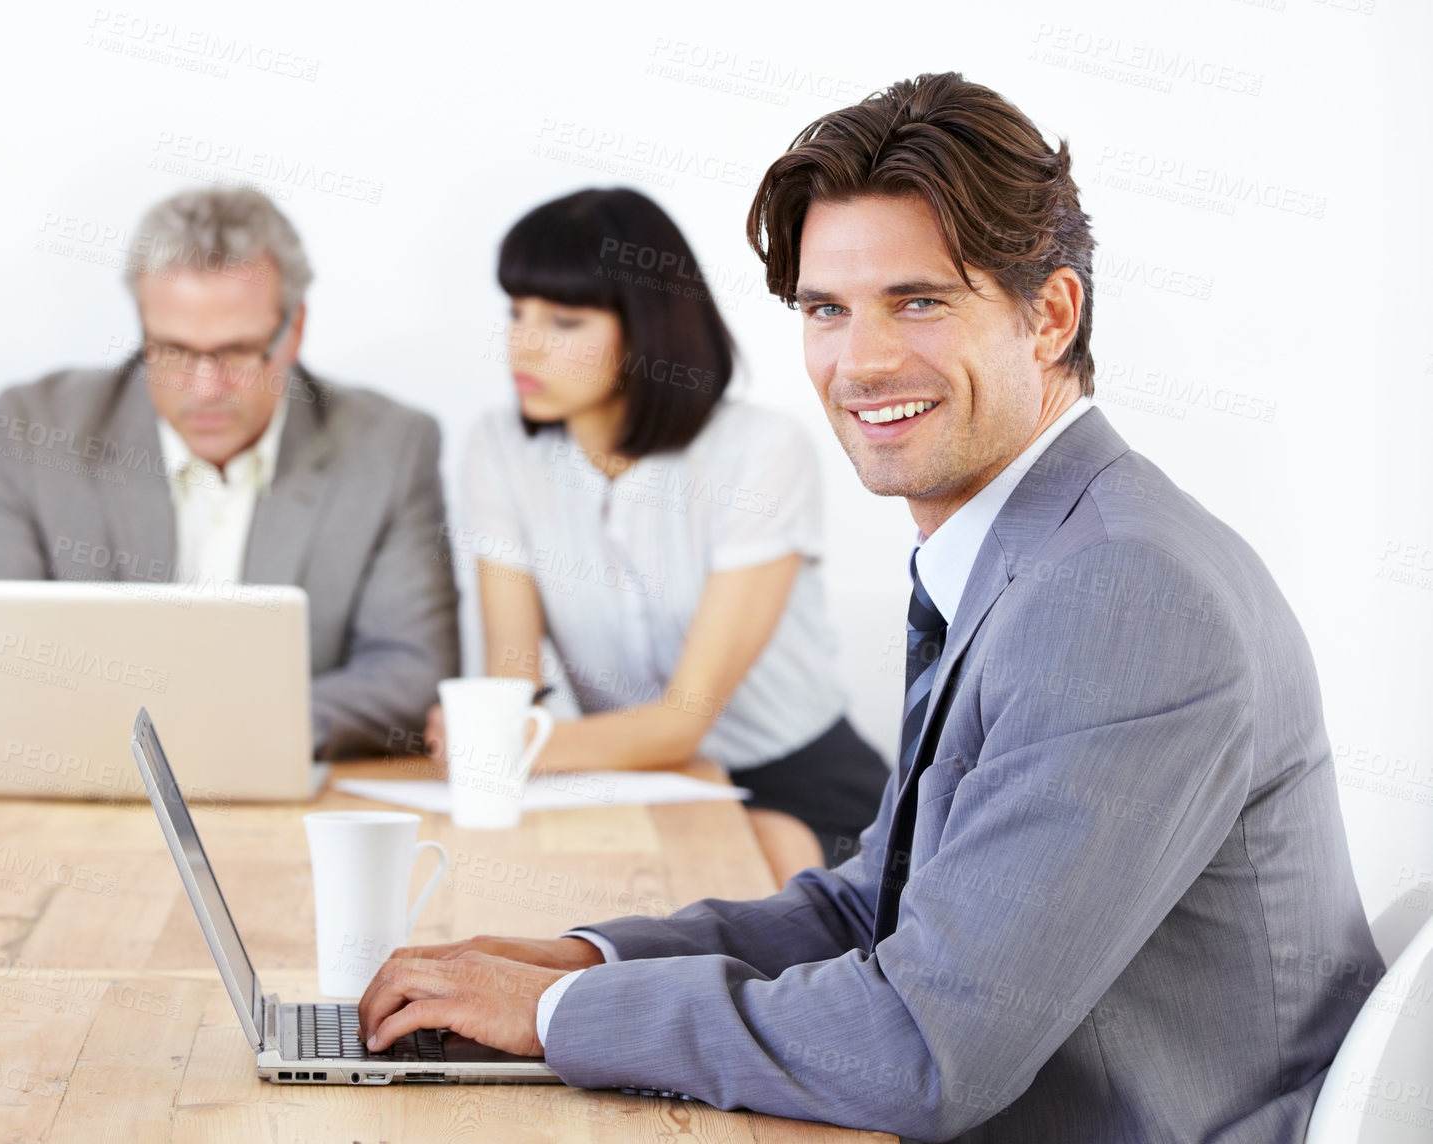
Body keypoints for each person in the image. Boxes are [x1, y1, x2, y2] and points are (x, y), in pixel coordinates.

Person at [356, 74, 1382, 1142]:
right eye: (826, 310)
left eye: (920, 300)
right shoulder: (1035, 549)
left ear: (1052, 314)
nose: (862, 362)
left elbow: (920, 1048)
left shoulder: (1122, 593)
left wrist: (561, 1015)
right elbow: (873, 907)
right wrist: (582, 962)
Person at [432, 188, 888, 879]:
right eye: (516, 311)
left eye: (564, 320)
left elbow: (683, 721)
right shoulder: (499, 449)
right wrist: (501, 731)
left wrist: (502, 743)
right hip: (624, 789)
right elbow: (513, 683)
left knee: (740, 911)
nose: (522, 343)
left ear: (646, 328)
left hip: (795, 787)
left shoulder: (762, 450)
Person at [0, 186, 457, 760]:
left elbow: (411, 675)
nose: (204, 389)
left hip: (286, 811)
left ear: (293, 330)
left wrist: (204, 736)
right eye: (172, 350)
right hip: (82, 802)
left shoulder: (391, 447)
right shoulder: (35, 430)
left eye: (236, 353)